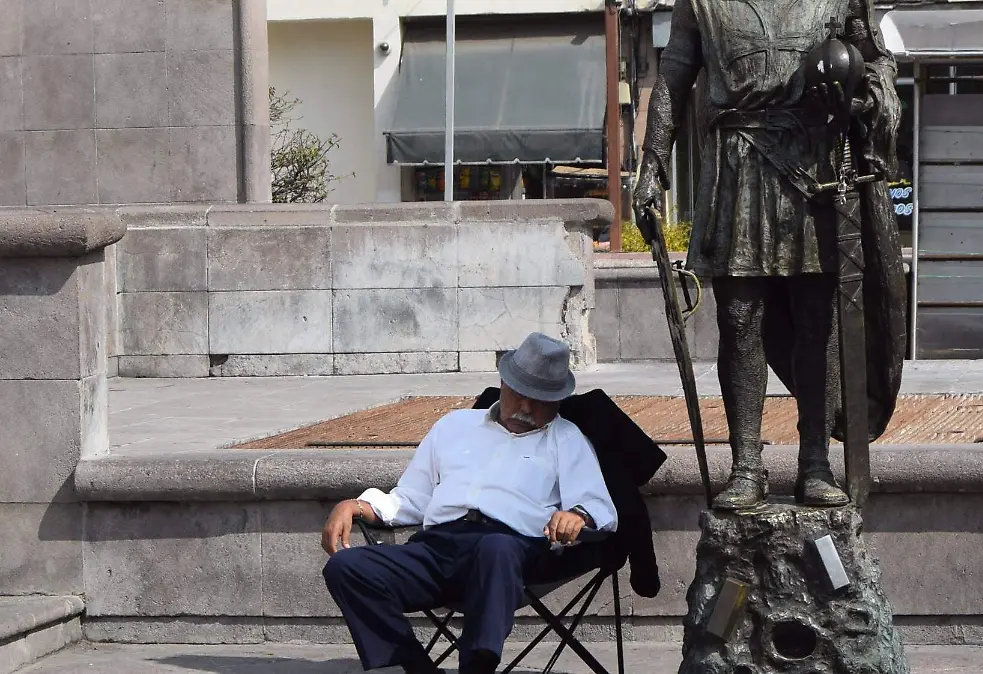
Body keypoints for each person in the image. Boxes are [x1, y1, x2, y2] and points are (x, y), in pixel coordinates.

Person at [631, 0, 906, 510]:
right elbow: (673, 75)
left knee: (817, 318)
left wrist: (863, 97)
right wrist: (652, 164)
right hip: (736, 164)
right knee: (739, 319)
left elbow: (877, 63)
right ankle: (746, 467)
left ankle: (815, 463)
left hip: (815, 167)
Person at [321, 332, 618, 674]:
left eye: (541, 401)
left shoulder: (567, 439)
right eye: (520, 395)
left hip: (512, 553)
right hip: (437, 548)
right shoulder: (454, 426)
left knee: (495, 548)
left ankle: (476, 668)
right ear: (503, 383)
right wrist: (353, 506)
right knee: (346, 568)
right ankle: (417, 669)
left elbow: (599, 508)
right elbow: (411, 499)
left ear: (558, 402)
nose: (526, 408)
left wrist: (576, 516)